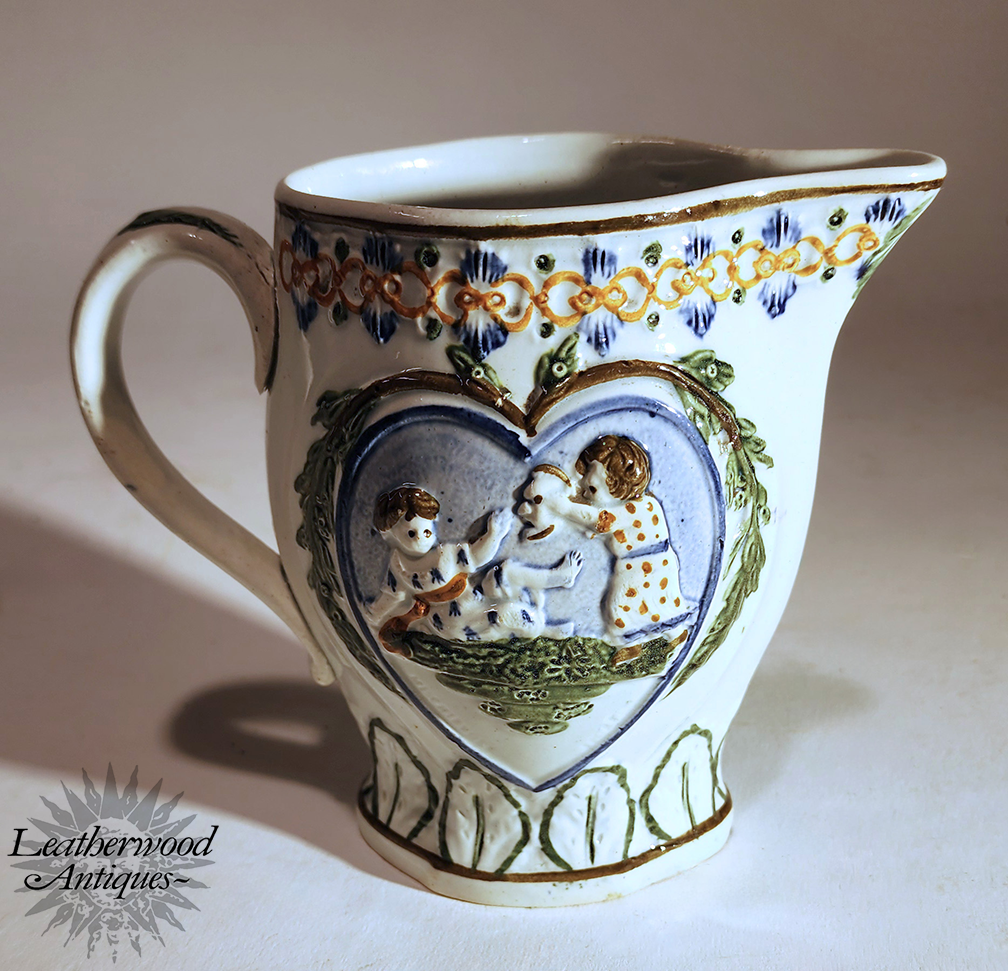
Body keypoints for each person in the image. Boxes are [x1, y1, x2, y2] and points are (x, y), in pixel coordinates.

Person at [365, 485, 583, 653]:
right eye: (411, 533)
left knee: (503, 572)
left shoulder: (445, 554)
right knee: (505, 613)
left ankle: (559, 577)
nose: (420, 538)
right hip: (454, 622)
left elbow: (477, 556)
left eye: (427, 532)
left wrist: (494, 534)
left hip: (476, 600)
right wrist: (374, 614)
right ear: (389, 533)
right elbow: (391, 595)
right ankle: (542, 630)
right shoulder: (398, 566)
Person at [519, 436, 692, 642]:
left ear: (618, 486)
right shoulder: (633, 505)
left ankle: (674, 634)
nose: (586, 494)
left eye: (592, 489)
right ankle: (633, 643)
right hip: (634, 567)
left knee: (633, 607)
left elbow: (599, 521)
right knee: (627, 609)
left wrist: (563, 507)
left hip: (649, 568)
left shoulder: (639, 507)